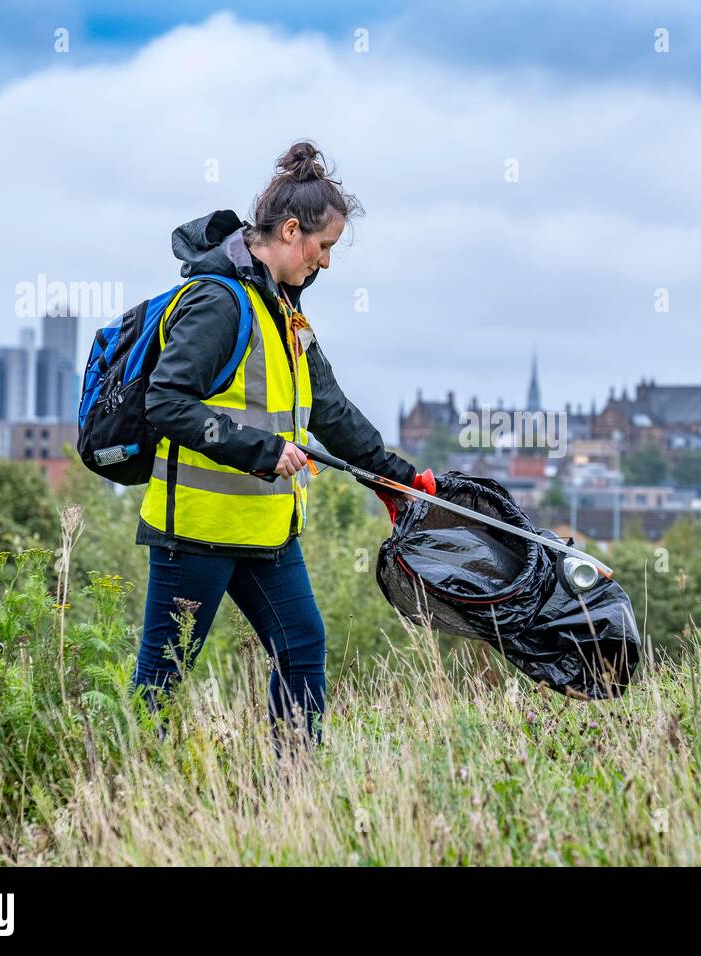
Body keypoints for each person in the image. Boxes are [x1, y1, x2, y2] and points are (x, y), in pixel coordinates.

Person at [130, 140, 436, 757]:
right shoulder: (219, 303)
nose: (326, 263)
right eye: (323, 248)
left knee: (302, 648)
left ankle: (290, 793)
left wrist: (397, 478)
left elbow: (330, 410)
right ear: (292, 231)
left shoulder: (286, 313)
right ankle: (121, 789)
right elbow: (165, 405)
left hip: (267, 531)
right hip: (197, 530)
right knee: (161, 681)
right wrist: (260, 451)